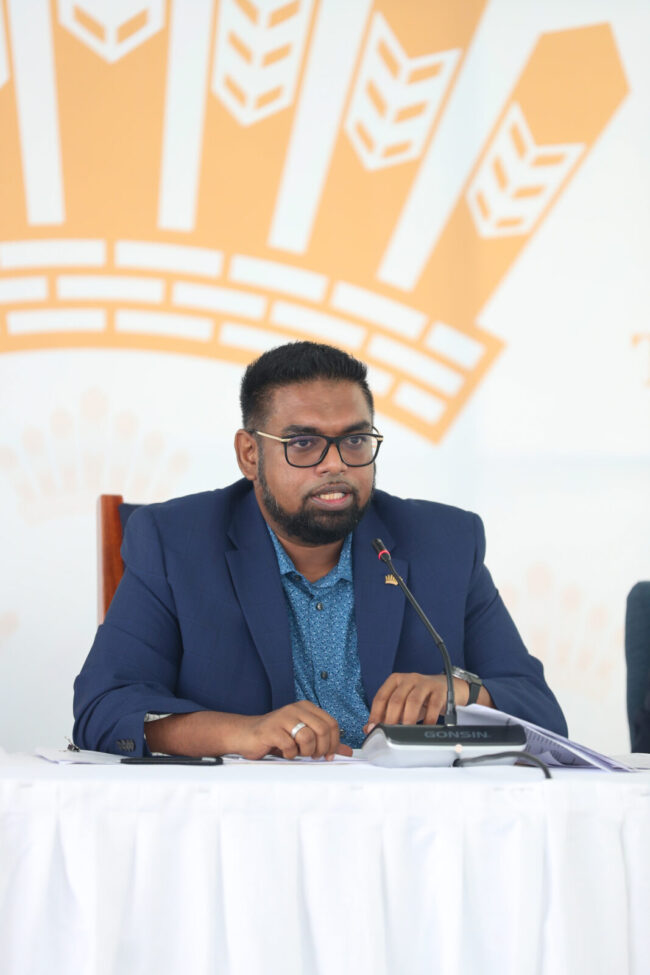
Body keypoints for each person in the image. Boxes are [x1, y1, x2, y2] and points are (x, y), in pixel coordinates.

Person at [73, 341, 567, 758]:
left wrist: (461, 691)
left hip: (412, 819)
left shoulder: (444, 542)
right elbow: (104, 709)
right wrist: (241, 733)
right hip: (248, 818)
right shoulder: (175, 542)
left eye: (355, 440)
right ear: (250, 454)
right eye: (304, 444)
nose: (336, 464)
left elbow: (543, 715)